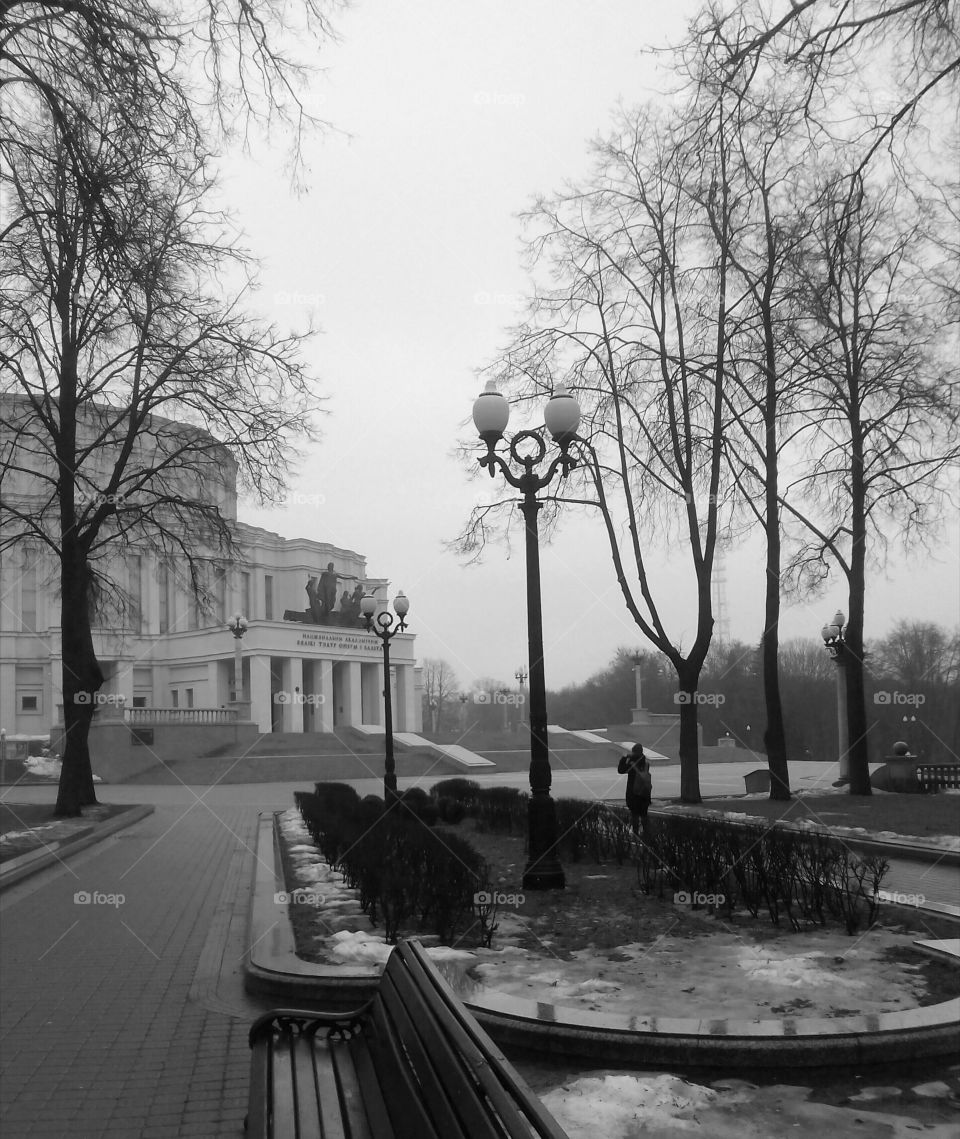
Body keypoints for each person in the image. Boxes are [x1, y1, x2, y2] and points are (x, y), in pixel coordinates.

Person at [618, 743, 652, 835]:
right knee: (644, 814)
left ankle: (636, 833)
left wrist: (624, 758)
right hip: (645, 793)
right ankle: (647, 833)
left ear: (633, 752)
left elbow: (620, 770)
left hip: (634, 793)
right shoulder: (646, 764)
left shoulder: (631, 764)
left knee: (635, 814)